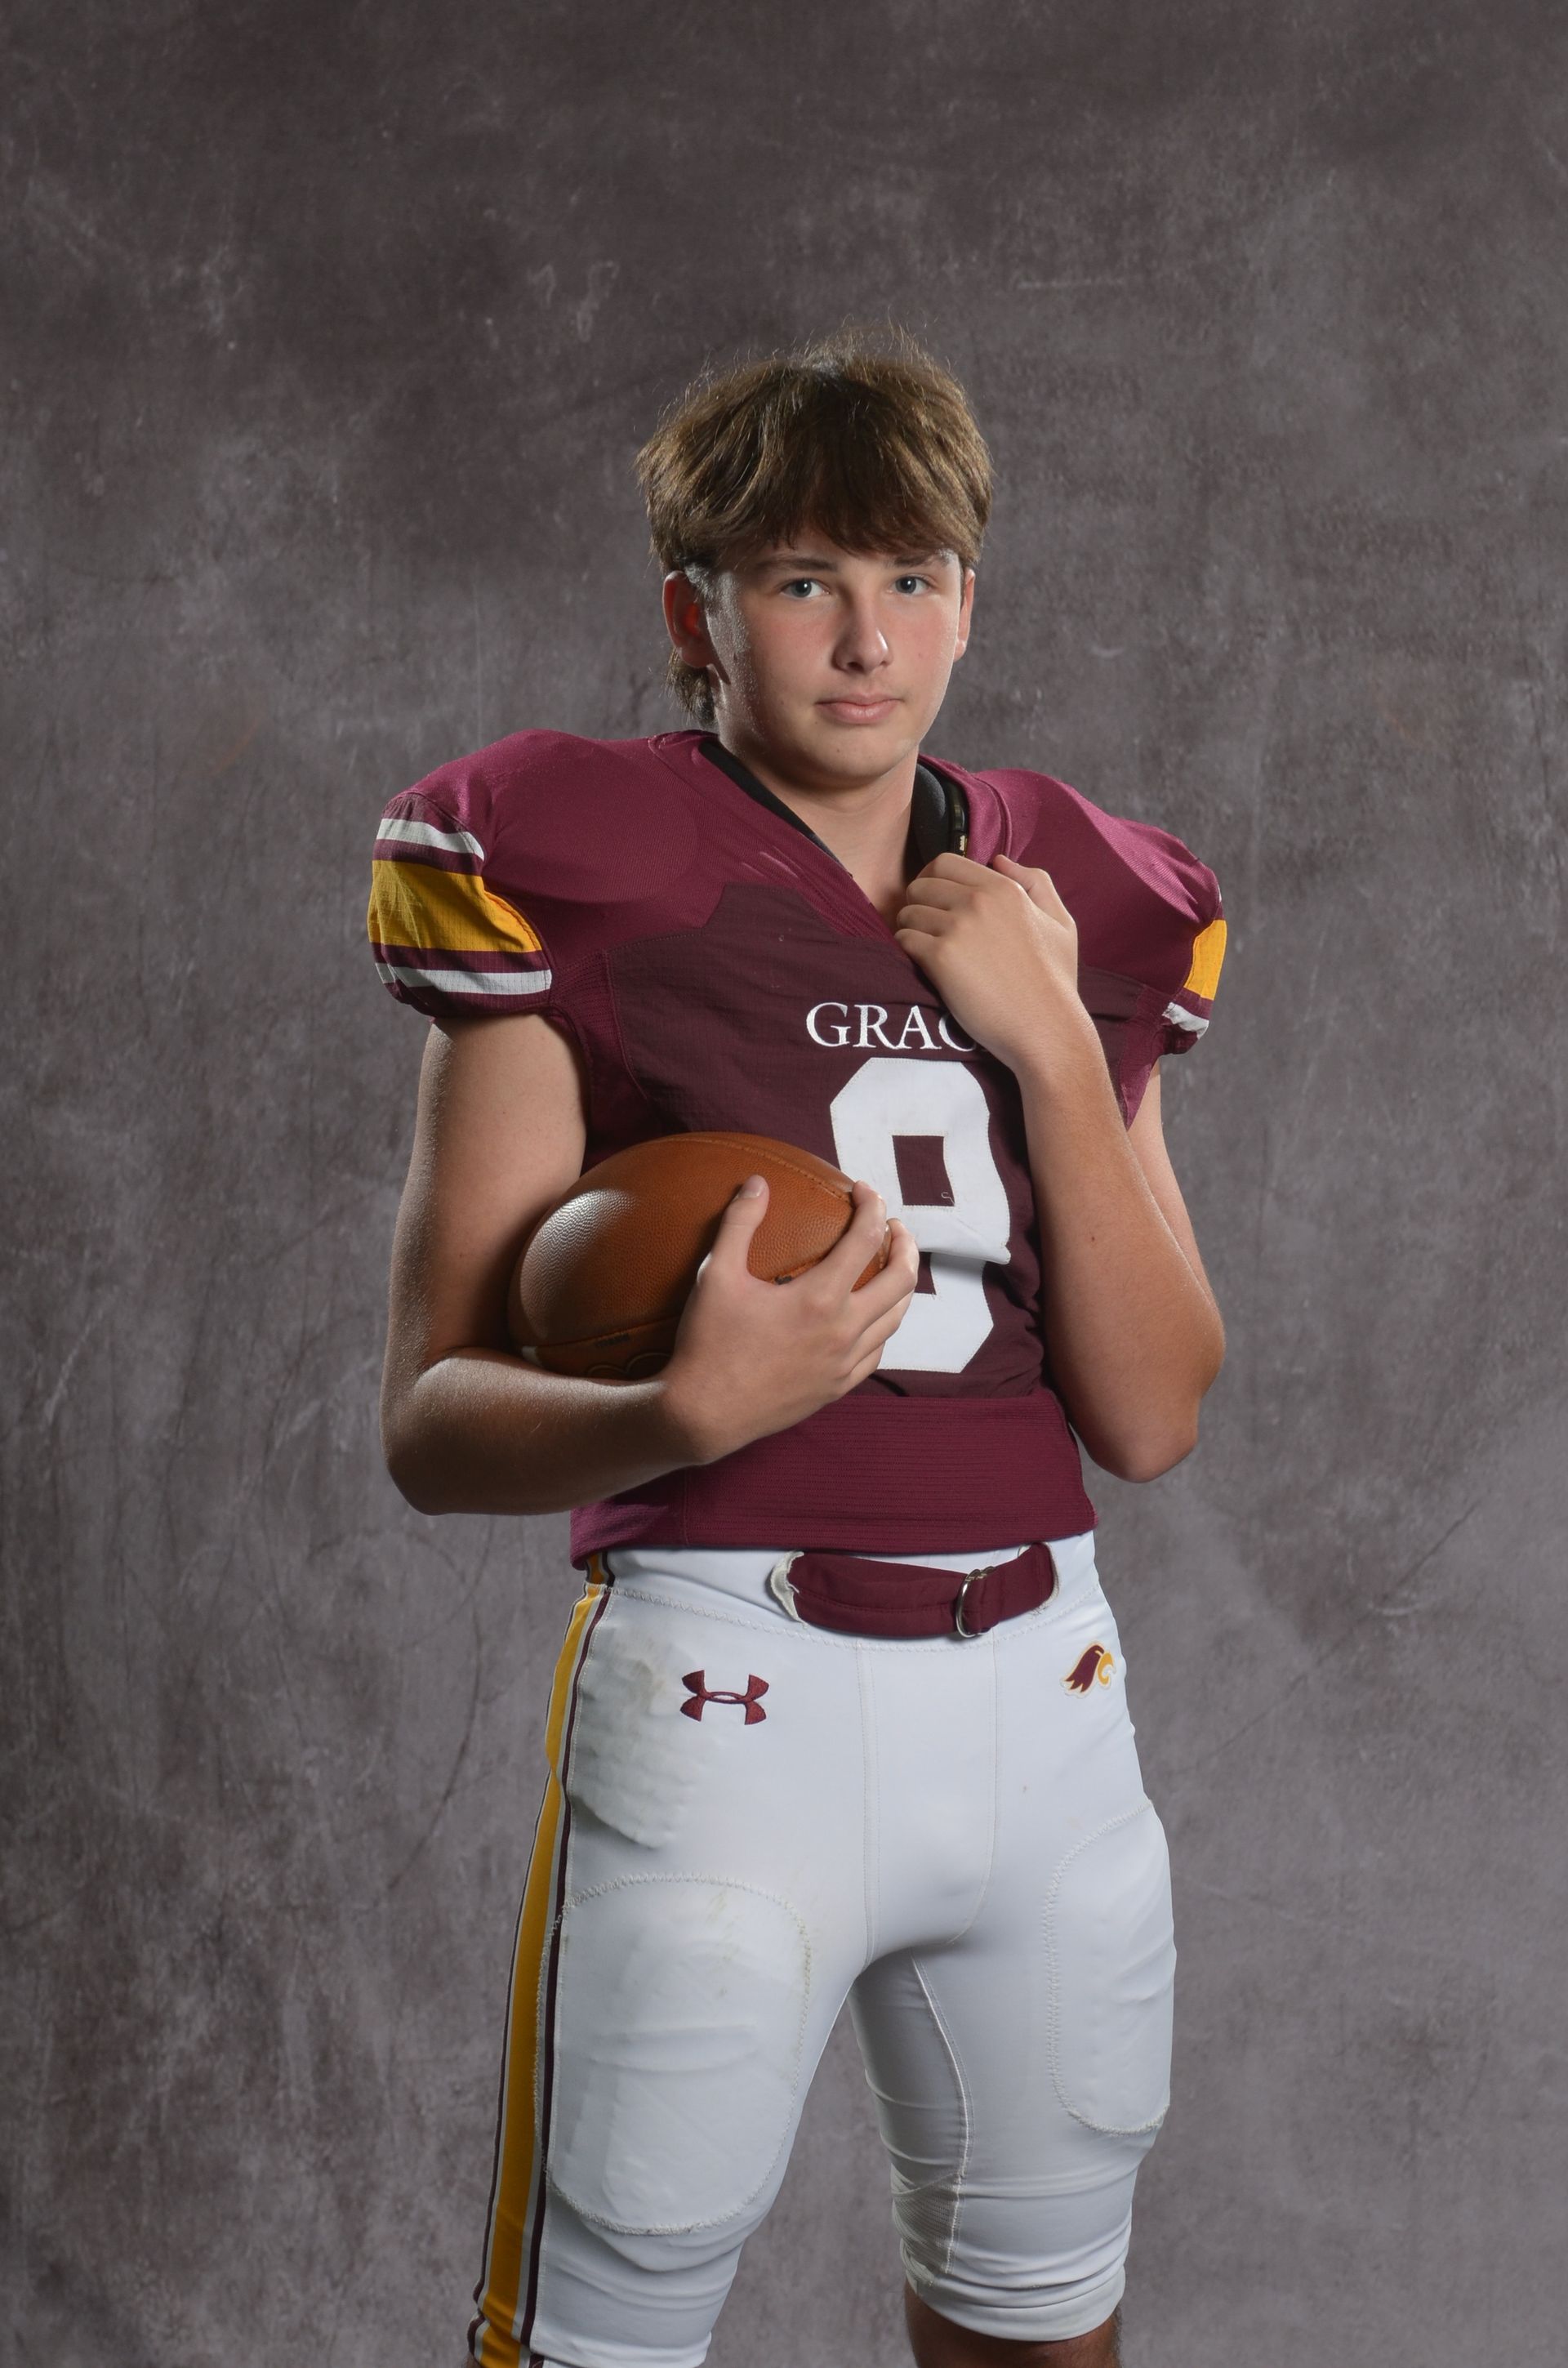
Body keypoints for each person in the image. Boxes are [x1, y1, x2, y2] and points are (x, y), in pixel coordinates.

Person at [367, 332, 1227, 2368]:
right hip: (731, 1679)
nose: (868, 637)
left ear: (972, 598)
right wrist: (678, 1409)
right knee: (604, 2315)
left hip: (1048, 1691)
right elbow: (429, 1419)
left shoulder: (1078, 898)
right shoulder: (575, 859)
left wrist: (1037, 1034)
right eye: (803, 580)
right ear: (698, 610)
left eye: (914, 576)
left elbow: (1155, 1408)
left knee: (1043, 2319)